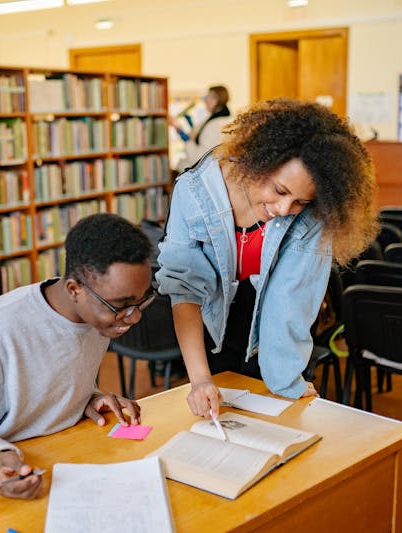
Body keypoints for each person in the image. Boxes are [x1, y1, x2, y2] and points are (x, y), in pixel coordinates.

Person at [156, 98, 377, 418]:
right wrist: (200, 379)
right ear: (256, 162)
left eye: (301, 201)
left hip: (278, 340)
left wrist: (287, 382)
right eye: (280, 190)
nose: (285, 210)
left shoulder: (314, 217)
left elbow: (289, 302)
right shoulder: (193, 193)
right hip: (211, 327)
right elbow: (184, 291)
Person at [0, 213, 156, 499]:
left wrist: (87, 397)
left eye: (142, 300)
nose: (134, 316)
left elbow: (50, 374)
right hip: (3, 478)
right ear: (74, 289)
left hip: (61, 459)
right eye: (122, 305)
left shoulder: (98, 315)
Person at [171, 85, 231, 171]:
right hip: (215, 167)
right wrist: (190, 122)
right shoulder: (220, 118)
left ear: (216, 100)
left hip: (205, 168)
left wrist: (179, 130)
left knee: (181, 165)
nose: (205, 100)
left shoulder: (215, 124)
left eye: (208, 97)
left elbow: (199, 157)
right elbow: (200, 135)